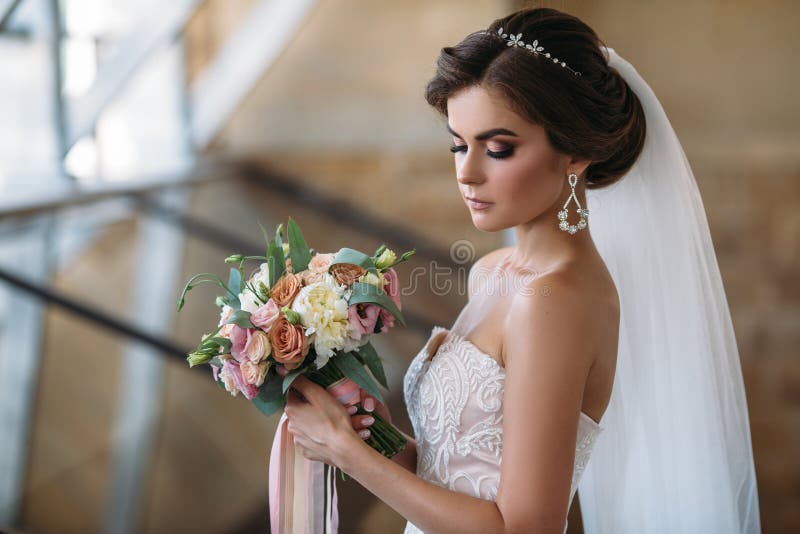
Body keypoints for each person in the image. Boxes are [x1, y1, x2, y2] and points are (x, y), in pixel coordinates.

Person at [283, 7, 761, 533]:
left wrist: (347, 454)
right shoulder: (493, 272)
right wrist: (375, 440)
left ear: (574, 152)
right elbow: (456, 476)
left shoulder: (555, 301)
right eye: (458, 145)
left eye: (498, 148)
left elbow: (522, 528)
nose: (467, 172)